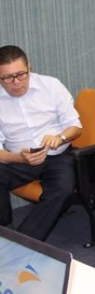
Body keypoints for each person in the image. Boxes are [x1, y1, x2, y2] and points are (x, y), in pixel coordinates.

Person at [0, 45, 82, 241]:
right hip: (19, 158)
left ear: (30, 68)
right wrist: (19, 158)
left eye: (21, 74)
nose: (16, 82)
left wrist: (60, 137)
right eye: (8, 78)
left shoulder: (51, 86)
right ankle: (4, 232)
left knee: (62, 190)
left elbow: (76, 126)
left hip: (57, 155)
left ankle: (23, 243)